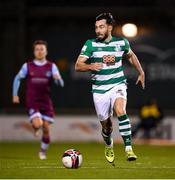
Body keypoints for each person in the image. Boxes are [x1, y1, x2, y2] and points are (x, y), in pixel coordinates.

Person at [75, 13, 145, 164]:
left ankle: (128, 149)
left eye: (101, 27)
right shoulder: (90, 44)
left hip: (117, 84)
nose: (98, 30)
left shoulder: (121, 43)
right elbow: (78, 66)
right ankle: (108, 144)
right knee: (107, 126)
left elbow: (131, 55)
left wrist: (141, 72)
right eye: (96, 28)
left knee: (121, 111)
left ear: (109, 27)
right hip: (99, 90)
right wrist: (90, 66)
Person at [12, 40, 64, 160]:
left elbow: (61, 84)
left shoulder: (52, 66)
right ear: (34, 51)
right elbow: (17, 79)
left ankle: (42, 152)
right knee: (38, 123)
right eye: (37, 49)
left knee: (45, 128)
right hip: (32, 101)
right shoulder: (27, 66)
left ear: (46, 51)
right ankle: (36, 127)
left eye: (42, 49)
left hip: (46, 101)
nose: (39, 51)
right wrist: (15, 95)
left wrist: (57, 79)